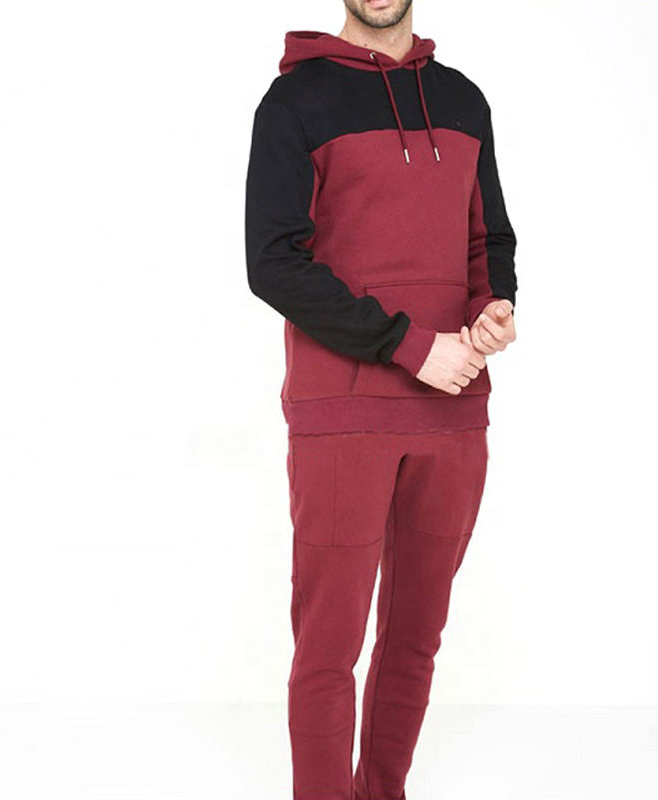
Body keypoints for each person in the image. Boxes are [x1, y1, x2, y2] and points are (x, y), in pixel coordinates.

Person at [245, 1, 517, 797]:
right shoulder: (294, 101)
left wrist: (492, 306)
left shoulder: (462, 100)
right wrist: (411, 346)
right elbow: (273, 264)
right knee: (329, 652)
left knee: (415, 642)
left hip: (454, 410)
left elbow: (489, 239)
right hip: (343, 414)